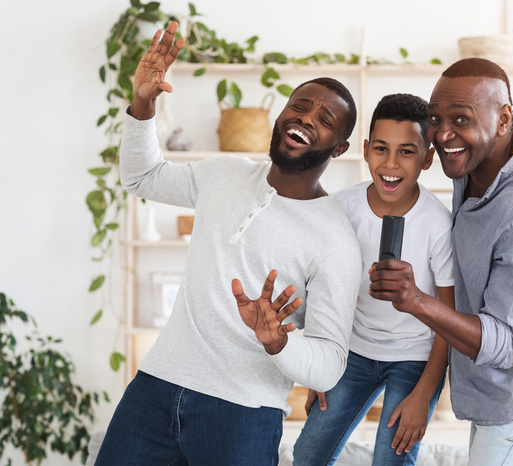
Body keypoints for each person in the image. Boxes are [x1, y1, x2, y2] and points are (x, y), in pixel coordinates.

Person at [95, 22, 363, 466]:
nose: (305, 119)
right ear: (280, 117)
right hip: (155, 386)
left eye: (324, 120)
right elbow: (140, 176)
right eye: (299, 107)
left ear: (339, 148)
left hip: (242, 412)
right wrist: (144, 102)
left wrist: (278, 343)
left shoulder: (334, 240)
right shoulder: (224, 173)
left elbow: (330, 363)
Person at [368, 58, 513, 465]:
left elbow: (506, 341)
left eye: (460, 119)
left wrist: (417, 300)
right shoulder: (476, 159)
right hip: (499, 399)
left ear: (504, 118)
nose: (442, 134)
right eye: (435, 119)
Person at [293, 93, 455, 466]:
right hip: (352, 351)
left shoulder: (438, 225)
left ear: (428, 158)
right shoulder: (341, 209)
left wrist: (423, 395)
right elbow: (322, 293)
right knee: (308, 454)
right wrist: (320, 366)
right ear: (365, 150)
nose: (391, 163)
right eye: (381, 148)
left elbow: (449, 318)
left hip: (414, 359)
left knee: (391, 458)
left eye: (407, 152)